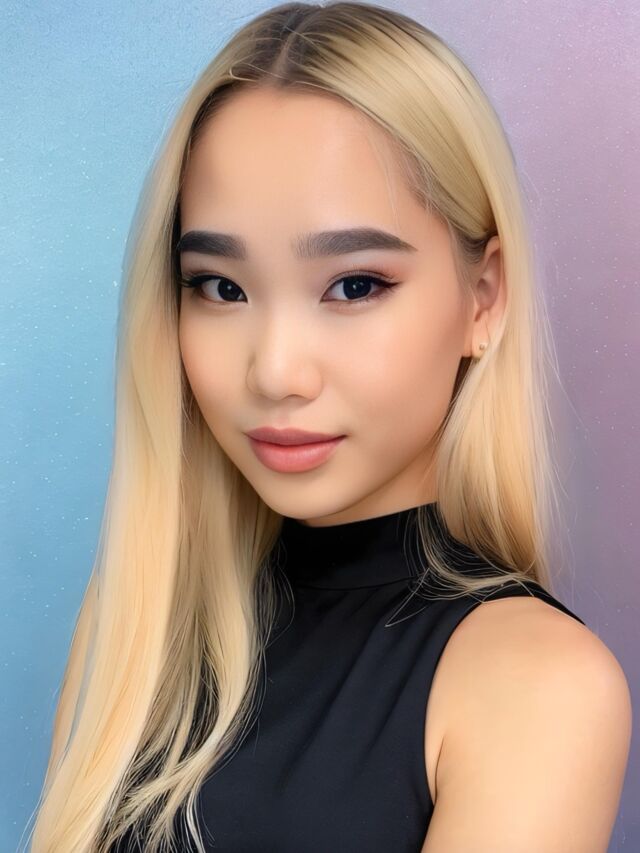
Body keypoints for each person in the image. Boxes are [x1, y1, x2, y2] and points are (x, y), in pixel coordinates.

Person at [29, 3, 631, 851]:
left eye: (353, 285)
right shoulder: (130, 633)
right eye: (222, 287)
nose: (276, 371)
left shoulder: (535, 687)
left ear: (483, 298)